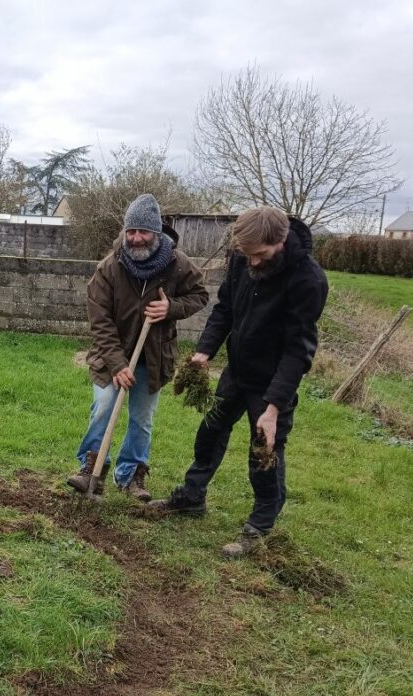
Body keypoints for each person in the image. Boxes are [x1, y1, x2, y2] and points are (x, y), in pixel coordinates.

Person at [148, 206, 329, 557]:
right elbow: (225, 309)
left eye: (260, 255)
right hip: (238, 370)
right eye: (247, 255)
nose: (253, 262)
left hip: (273, 382)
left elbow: (298, 350)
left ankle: (260, 527)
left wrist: (273, 407)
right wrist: (204, 352)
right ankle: (192, 497)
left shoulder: (308, 280)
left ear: (280, 241)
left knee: (264, 453)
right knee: (210, 431)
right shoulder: (242, 257)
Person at [67, 194, 208, 500]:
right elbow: (100, 319)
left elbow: (199, 295)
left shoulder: (176, 264)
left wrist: (171, 308)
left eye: (143, 231)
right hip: (111, 356)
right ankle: (91, 470)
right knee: (103, 408)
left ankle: (131, 475)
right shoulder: (110, 267)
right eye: (131, 231)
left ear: (156, 232)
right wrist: (117, 364)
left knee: (142, 420)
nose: (136, 238)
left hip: (154, 357)